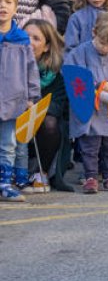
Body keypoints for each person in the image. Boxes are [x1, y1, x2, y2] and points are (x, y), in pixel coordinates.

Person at [64, 11, 108, 195]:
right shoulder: (80, 52)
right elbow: (71, 73)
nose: (106, 48)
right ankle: (90, 176)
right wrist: (89, 87)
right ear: (94, 32)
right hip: (90, 110)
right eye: (103, 43)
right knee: (90, 145)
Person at [0, 0, 40, 202]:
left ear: (16, 8)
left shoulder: (21, 40)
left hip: (13, 100)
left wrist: (31, 97)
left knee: (8, 143)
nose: (2, 6)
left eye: (7, 2)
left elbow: (31, 71)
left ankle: (5, 184)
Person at [25, 19, 69, 192]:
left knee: (50, 123)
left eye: (36, 38)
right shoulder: (8, 64)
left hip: (40, 127)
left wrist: (34, 107)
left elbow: (58, 106)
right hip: (9, 118)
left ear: (46, 46)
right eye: (26, 36)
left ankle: (40, 173)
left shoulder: (56, 72)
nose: (29, 41)